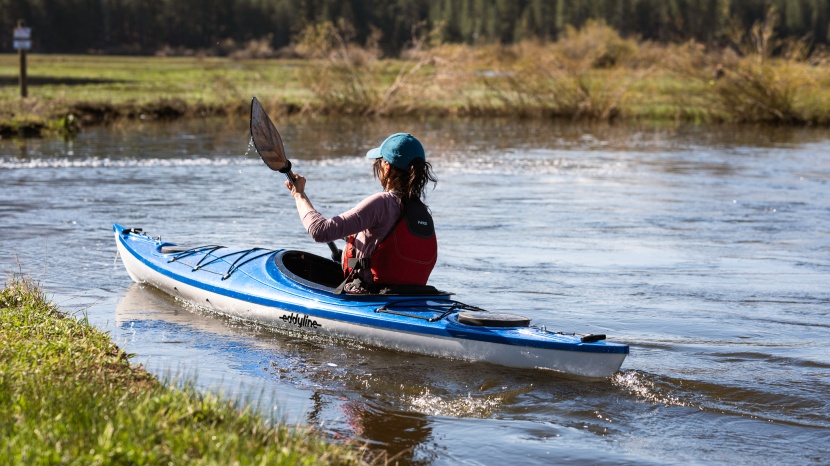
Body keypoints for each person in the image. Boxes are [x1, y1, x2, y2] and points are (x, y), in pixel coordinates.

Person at [285, 132, 438, 291]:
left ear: (387, 167)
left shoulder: (382, 203)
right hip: (413, 297)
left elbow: (320, 231)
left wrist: (299, 195)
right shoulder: (422, 212)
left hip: (370, 296)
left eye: (378, 163)